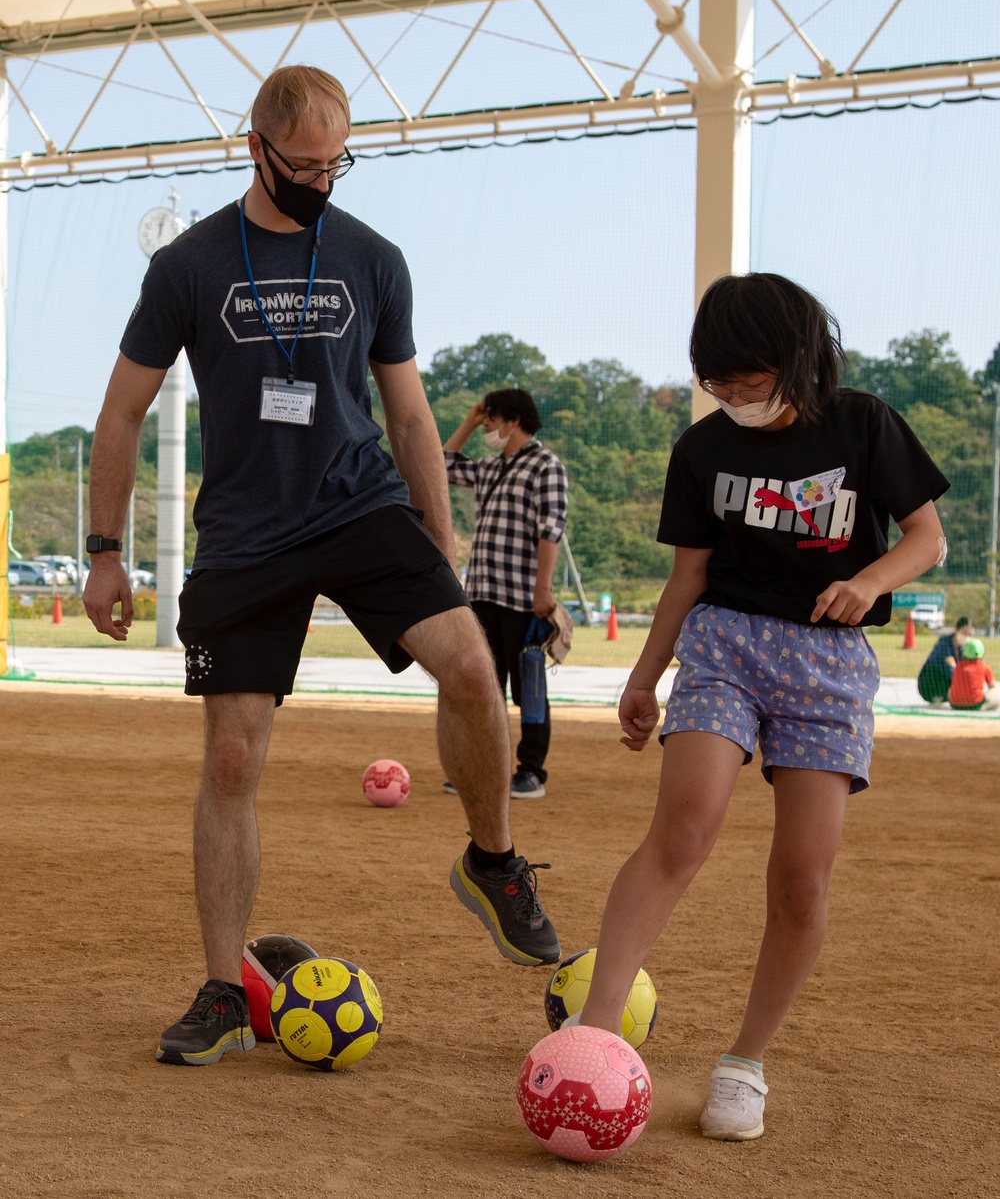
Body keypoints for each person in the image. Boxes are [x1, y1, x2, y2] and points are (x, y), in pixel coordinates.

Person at [83, 65, 560, 1068]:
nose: (323, 180)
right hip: (247, 531)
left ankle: (491, 859)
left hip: (360, 503)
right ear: (255, 149)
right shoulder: (192, 264)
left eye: (338, 162)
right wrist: (103, 552)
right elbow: (122, 410)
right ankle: (224, 985)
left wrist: (439, 534)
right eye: (303, 165)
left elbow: (411, 411)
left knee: (473, 665)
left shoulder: (373, 258)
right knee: (231, 756)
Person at [573, 272, 949, 1141]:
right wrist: (644, 674)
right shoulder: (701, 449)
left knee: (801, 876)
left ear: (798, 359)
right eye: (721, 384)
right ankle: (594, 1031)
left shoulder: (863, 423)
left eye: (751, 382)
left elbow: (926, 537)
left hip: (829, 663)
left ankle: (744, 1064)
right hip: (726, 644)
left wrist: (869, 580)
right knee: (686, 825)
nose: (737, 399)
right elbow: (688, 577)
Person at [443, 389, 569, 799]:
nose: (488, 430)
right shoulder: (489, 468)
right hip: (480, 596)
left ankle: (531, 771)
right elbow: (442, 465)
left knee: (528, 686)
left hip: (523, 599)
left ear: (514, 421)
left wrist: (543, 589)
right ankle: (484, 771)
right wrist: (470, 419)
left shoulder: (546, 466)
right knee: (485, 688)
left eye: (492, 421)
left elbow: (550, 529)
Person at [917, 616, 973, 703]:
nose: (966, 637)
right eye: (964, 633)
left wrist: (957, 667)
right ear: (956, 630)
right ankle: (938, 697)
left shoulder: (965, 647)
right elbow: (950, 671)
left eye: (969, 634)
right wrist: (959, 669)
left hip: (945, 681)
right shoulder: (944, 644)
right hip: (929, 685)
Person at [948, 637, 997, 710]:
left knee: (950, 689)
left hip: (955, 705)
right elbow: (992, 686)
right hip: (975, 705)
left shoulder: (958, 666)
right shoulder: (984, 667)